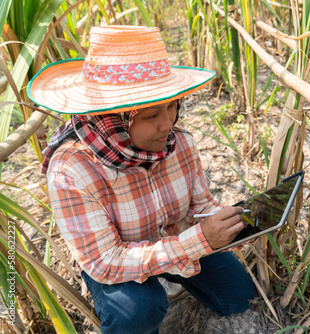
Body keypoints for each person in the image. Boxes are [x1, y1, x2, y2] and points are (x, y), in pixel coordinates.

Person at [28, 25, 255, 334]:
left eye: (172, 106)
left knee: (240, 295)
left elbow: (201, 206)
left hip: (177, 240)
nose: (167, 125)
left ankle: (170, 278)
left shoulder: (180, 143)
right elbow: (106, 261)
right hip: (116, 261)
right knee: (137, 311)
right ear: (113, 118)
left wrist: (232, 225)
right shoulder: (71, 170)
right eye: (150, 115)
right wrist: (199, 241)